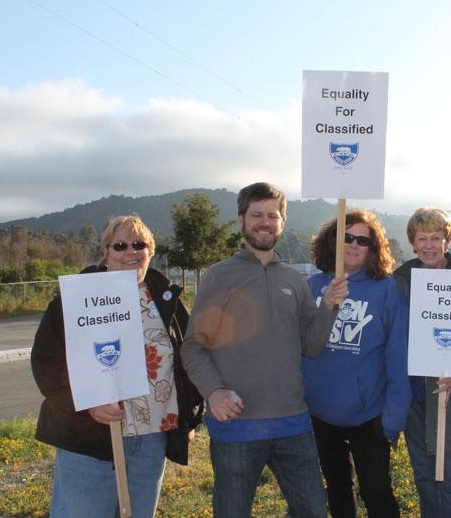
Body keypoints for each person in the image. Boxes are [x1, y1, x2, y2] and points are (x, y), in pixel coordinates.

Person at [180, 182, 348, 518]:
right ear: (242, 219)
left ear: (282, 222)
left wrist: (329, 306)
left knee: (313, 511)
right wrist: (213, 392)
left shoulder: (293, 280)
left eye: (273, 215)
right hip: (237, 425)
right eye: (257, 214)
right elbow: (193, 348)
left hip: (292, 422)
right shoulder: (218, 276)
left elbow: (312, 347)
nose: (265, 222)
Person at [31, 215, 204, 518]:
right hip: (90, 439)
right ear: (106, 252)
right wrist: (87, 404)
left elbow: (188, 359)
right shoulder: (76, 298)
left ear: (151, 251)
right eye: (120, 245)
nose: (130, 252)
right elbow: (46, 362)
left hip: (150, 439)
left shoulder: (167, 300)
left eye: (139, 244)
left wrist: (188, 419)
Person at [303, 209, 411, 518]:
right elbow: (301, 346)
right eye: (346, 237)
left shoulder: (387, 290)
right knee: (337, 491)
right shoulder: (312, 286)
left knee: (377, 493)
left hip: (370, 416)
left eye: (362, 240)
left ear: (373, 248)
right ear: (332, 241)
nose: (353, 245)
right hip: (320, 415)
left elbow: (398, 358)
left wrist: (394, 418)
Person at [393, 207, 451, 518]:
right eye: (423, 238)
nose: (430, 245)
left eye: (437, 237)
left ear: (447, 240)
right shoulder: (401, 281)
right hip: (414, 397)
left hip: (450, 395)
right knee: (423, 477)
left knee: (449, 478)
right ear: (413, 242)